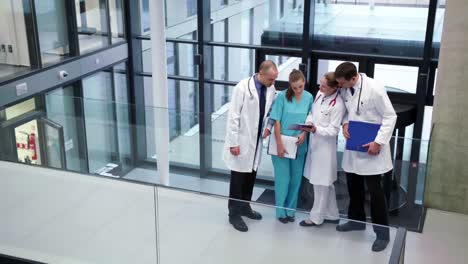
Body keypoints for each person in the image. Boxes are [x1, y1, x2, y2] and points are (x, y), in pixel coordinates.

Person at [334, 62, 397, 252]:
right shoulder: (347, 89)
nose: (340, 87)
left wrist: (378, 142)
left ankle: (382, 235)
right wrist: (345, 124)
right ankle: (356, 221)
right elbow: (347, 112)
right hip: (354, 146)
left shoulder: (375, 89)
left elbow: (390, 116)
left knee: (375, 194)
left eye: (342, 83)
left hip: (372, 148)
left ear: (353, 78)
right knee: (353, 187)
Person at [223, 60, 278, 232]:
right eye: (270, 79)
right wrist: (234, 143)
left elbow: (269, 113)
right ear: (260, 74)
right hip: (241, 141)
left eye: (274, 79)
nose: (273, 83)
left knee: (250, 177)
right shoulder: (242, 88)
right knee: (238, 180)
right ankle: (234, 214)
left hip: (255, 142)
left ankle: (245, 206)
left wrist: (268, 128)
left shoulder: (270, 89)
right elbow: (233, 117)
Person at [299, 72, 345, 227]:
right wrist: (309, 123)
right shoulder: (320, 94)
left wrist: (315, 129)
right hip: (315, 144)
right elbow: (312, 112)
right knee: (325, 184)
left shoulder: (338, 105)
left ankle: (316, 218)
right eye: (320, 84)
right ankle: (332, 215)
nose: (320, 87)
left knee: (321, 184)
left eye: (324, 86)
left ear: (334, 87)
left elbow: (333, 130)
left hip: (325, 149)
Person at [268, 69, 313, 223]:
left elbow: (310, 119)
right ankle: (281, 212)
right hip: (281, 145)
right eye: (294, 88)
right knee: (283, 180)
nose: (298, 90)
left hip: (299, 145)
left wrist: (304, 134)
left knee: (295, 180)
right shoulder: (282, 97)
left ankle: (290, 211)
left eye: (300, 86)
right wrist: (280, 144)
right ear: (290, 86)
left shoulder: (309, 97)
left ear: (304, 82)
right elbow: (276, 120)